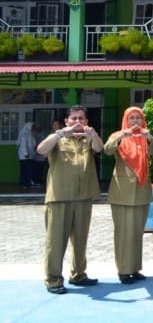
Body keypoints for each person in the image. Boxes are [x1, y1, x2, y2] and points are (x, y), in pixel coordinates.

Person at [36, 105, 103, 294]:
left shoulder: (88, 139)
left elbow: (100, 148)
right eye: (73, 119)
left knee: (81, 239)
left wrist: (93, 135)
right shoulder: (58, 139)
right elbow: (41, 150)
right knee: (55, 241)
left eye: (81, 118)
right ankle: (53, 279)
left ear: (86, 122)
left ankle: (79, 274)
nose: (77, 122)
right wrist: (59, 134)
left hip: (83, 197)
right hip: (59, 198)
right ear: (66, 121)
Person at [103, 106, 153, 284]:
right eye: (132, 118)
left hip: (141, 191)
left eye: (139, 118)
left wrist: (148, 138)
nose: (135, 122)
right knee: (123, 232)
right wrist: (122, 135)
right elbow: (107, 150)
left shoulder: (145, 138)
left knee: (136, 232)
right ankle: (123, 270)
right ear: (126, 120)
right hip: (122, 192)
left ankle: (134, 268)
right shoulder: (117, 135)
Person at [17, 122, 39, 189]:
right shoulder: (24, 135)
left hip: (29, 155)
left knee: (28, 170)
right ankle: (25, 184)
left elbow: (32, 145)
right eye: (32, 126)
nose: (34, 128)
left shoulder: (30, 134)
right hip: (25, 156)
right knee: (25, 170)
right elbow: (23, 146)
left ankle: (28, 183)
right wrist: (26, 154)